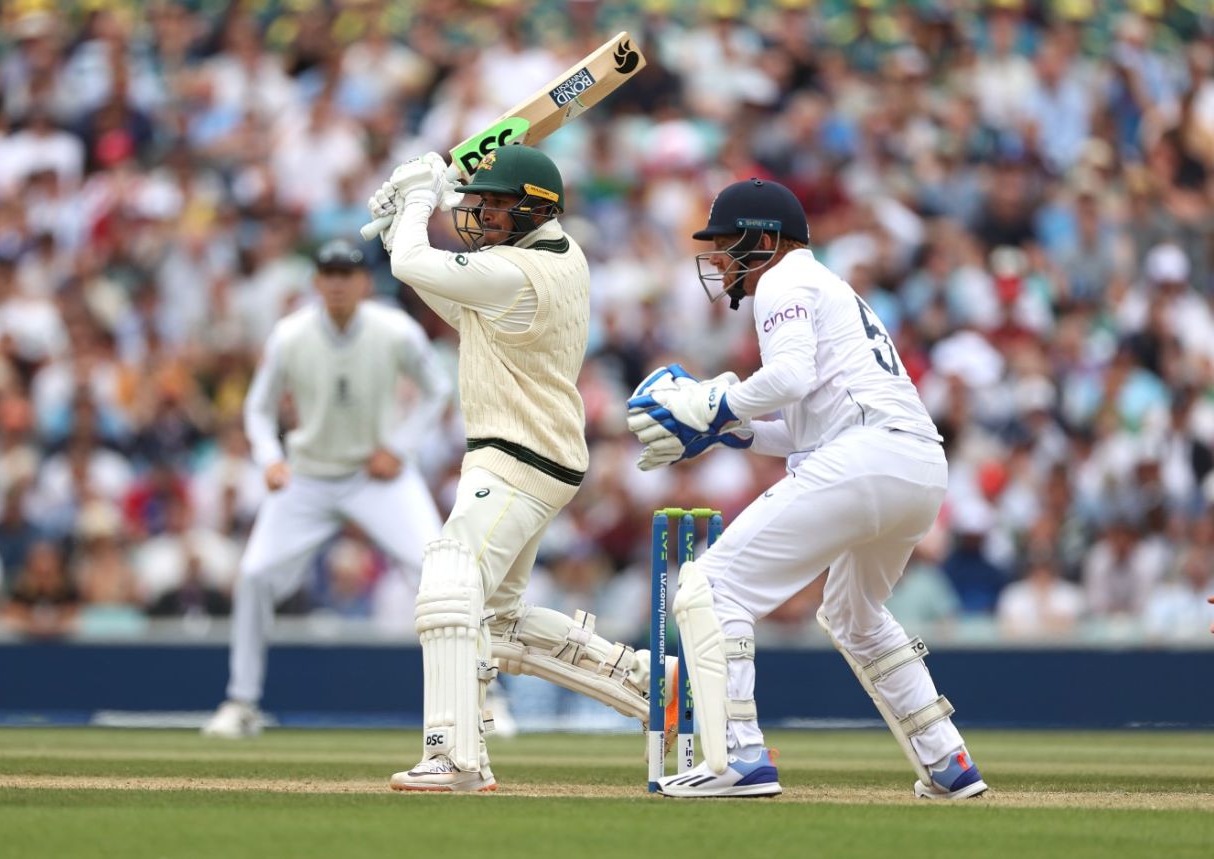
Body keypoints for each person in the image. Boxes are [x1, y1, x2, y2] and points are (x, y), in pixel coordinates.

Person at [626, 178, 987, 799]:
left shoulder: (784, 280)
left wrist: (714, 403)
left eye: (728, 244)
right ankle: (948, 761)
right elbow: (801, 428)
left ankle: (739, 758)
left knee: (712, 588)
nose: (719, 260)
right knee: (854, 613)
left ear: (765, 241)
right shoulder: (828, 288)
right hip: (917, 465)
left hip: (866, 457)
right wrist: (730, 432)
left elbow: (790, 376)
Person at [370, 146, 672, 792]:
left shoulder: (519, 271)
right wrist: (404, 218)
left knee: (450, 580)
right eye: (477, 204)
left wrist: (419, 197)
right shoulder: (548, 257)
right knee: (497, 623)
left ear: (535, 207)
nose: (479, 216)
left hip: (516, 454)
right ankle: (653, 684)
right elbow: (441, 290)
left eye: (494, 205)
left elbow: (412, 263)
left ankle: (452, 755)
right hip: (535, 453)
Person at [201, 240, 451, 738]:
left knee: (441, 576)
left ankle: (482, 703)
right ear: (316, 282)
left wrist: (400, 448)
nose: (337, 283)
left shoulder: (394, 330)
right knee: (253, 575)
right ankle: (242, 702)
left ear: (364, 283)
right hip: (308, 476)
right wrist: (269, 459)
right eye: (328, 273)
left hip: (377, 475)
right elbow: (258, 408)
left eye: (347, 274)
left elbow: (438, 388)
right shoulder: (290, 335)